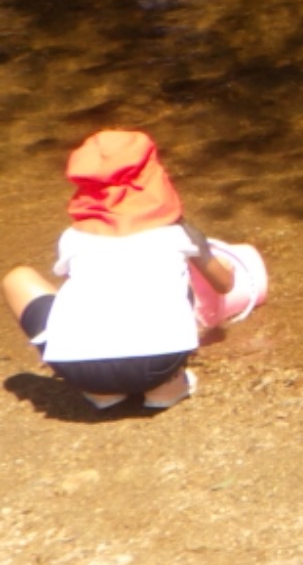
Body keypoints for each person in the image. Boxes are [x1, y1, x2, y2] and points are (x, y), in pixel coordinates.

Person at [5, 130, 237, 411]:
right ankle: (166, 387)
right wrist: (226, 267)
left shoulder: (74, 236)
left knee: (17, 278)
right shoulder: (178, 232)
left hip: (80, 371)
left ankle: (102, 393)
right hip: (159, 364)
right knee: (178, 280)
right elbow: (224, 285)